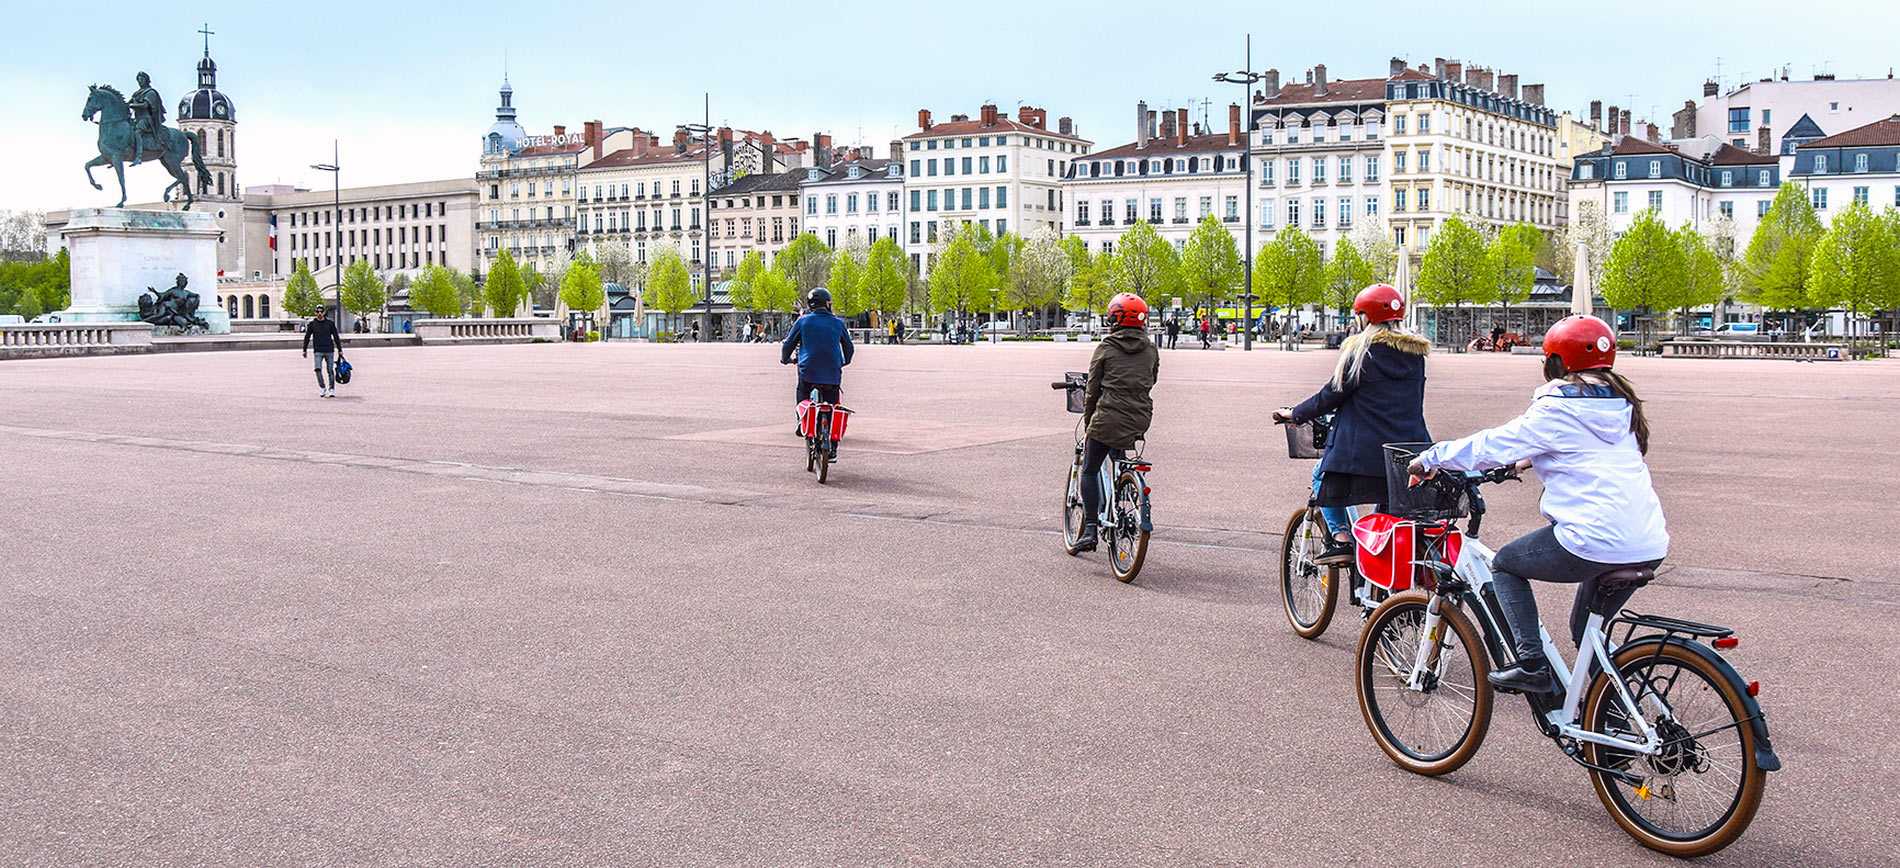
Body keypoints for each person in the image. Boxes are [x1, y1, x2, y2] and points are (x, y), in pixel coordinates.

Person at [1407, 315, 1666, 694]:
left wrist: (1431, 458)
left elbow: (1492, 445)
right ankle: (1616, 713)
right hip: (1648, 541)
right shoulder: (1619, 405)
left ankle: (1531, 665)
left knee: (1506, 564)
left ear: (1557, 361)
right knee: (1587, 633)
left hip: (1594, 539)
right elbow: (1588, 451)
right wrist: (1532, 457)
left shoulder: (1557, 407)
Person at [1272, 284, 1430, 564]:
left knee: (1321, 475)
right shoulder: (1416, 356)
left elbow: (1330, 395)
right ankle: (1379, 570)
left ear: (1365, 318)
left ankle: (1341, 540)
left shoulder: (1361, 351)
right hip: (1407, 450)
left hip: (1363, 453)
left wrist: (1295, 413)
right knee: (1389, 512)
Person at [1074, 293, 1160, 551]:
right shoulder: (1151, 349)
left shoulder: (1106, 348)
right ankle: (1125, 489)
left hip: (1108, 418)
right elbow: (1152, 379)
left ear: (1113, 318)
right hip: (1140, 417)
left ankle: (1090, 529)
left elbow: (1092, 389)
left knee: (1089, 469)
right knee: (1117, 453)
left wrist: (1089, 422)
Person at [780, 287, 854, 418]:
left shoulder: (802, 321)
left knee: (802, 393)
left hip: (808, 371)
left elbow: (788, 344)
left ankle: (801, 420)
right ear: (827, 303)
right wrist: (844, 361)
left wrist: (785, 359)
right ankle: (829, 423)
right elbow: (849, 348)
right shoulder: (838, 323)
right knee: (832, 404)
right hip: (832, 372)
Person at [301, 307, 344, 398]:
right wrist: (304, 349)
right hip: (318, 350)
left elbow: (336, 336)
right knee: (318, 369)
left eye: (321, 312)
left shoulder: (330, 323)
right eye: (318, 312)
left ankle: (331, 388)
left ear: (324, 312)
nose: (319, 313)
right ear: (315, 313)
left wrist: (340, 349)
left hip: (329, 349)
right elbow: (307, 337)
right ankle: (322, 387)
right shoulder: (312, 324)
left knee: (330, 370)